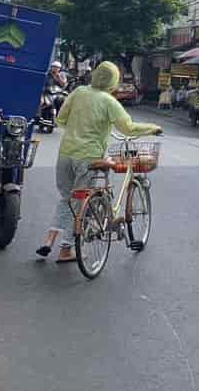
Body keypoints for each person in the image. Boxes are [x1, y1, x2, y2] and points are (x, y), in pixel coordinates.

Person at [36, 61, 161, 263]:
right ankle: (66, 248)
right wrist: (153, 128)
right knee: (78, 203)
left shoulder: (78, 92)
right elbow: (128, 128)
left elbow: (60, 119)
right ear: (113, 81)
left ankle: (48, 241)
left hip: (65, 155)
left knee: (66, 198)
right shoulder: (109, 101)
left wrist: (79, 127)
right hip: (88, 157)